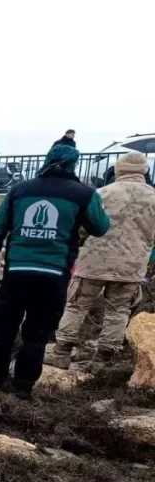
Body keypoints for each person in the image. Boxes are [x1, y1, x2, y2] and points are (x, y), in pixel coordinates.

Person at [0, 144, 110, 399]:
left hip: (17, 273)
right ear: (74, 165)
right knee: (37, 336)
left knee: (2, 330)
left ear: (48, 159)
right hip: (54, 276)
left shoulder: (20, 190)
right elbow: (101, 227)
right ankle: (23, 389)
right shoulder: (84, 194)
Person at [47, 152, 155, 368]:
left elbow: (80, 229)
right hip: (132, 265)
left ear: (118, 170)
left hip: (93, 262)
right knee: (119, 311)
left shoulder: (101, 193)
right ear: (145, 171)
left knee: (76, 306)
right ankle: (102, 360)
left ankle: (61, 352)